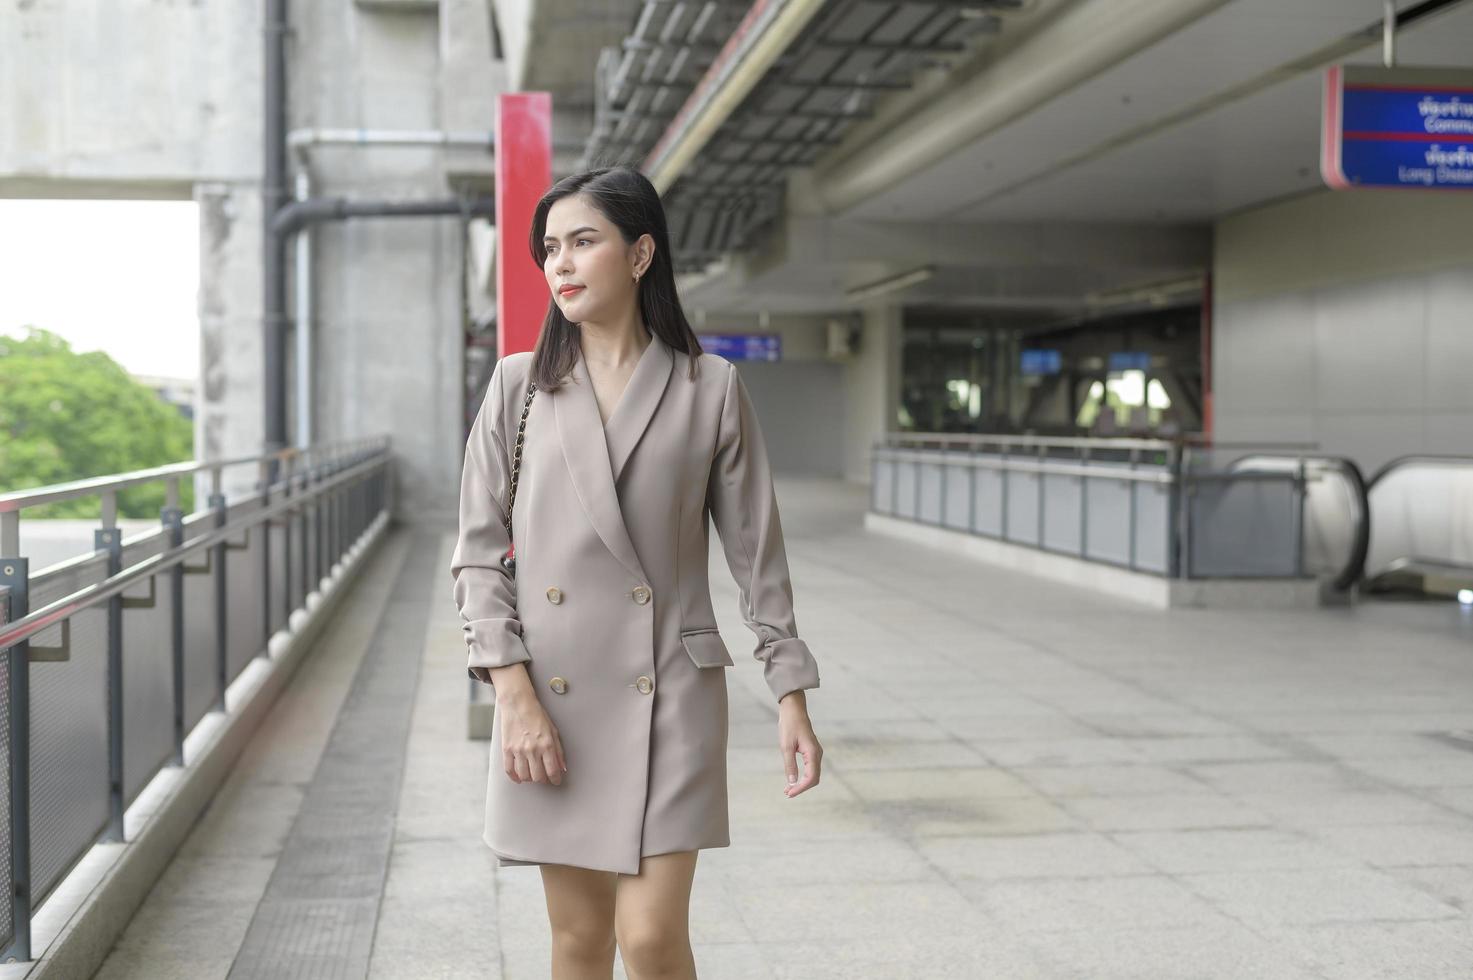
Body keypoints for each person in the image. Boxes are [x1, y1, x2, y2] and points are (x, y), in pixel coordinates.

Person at [449, 165, 824, 980]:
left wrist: (789, 694)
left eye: (583, 242)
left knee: (651, 939)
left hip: (671, 691)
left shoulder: (711, 388)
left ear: (641, 252)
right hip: (551, 699)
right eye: (549, 248)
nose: (561, 264)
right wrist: (513, 700)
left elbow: (757, 554)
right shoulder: (519, 387)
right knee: (579, 943)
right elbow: (477, 556)